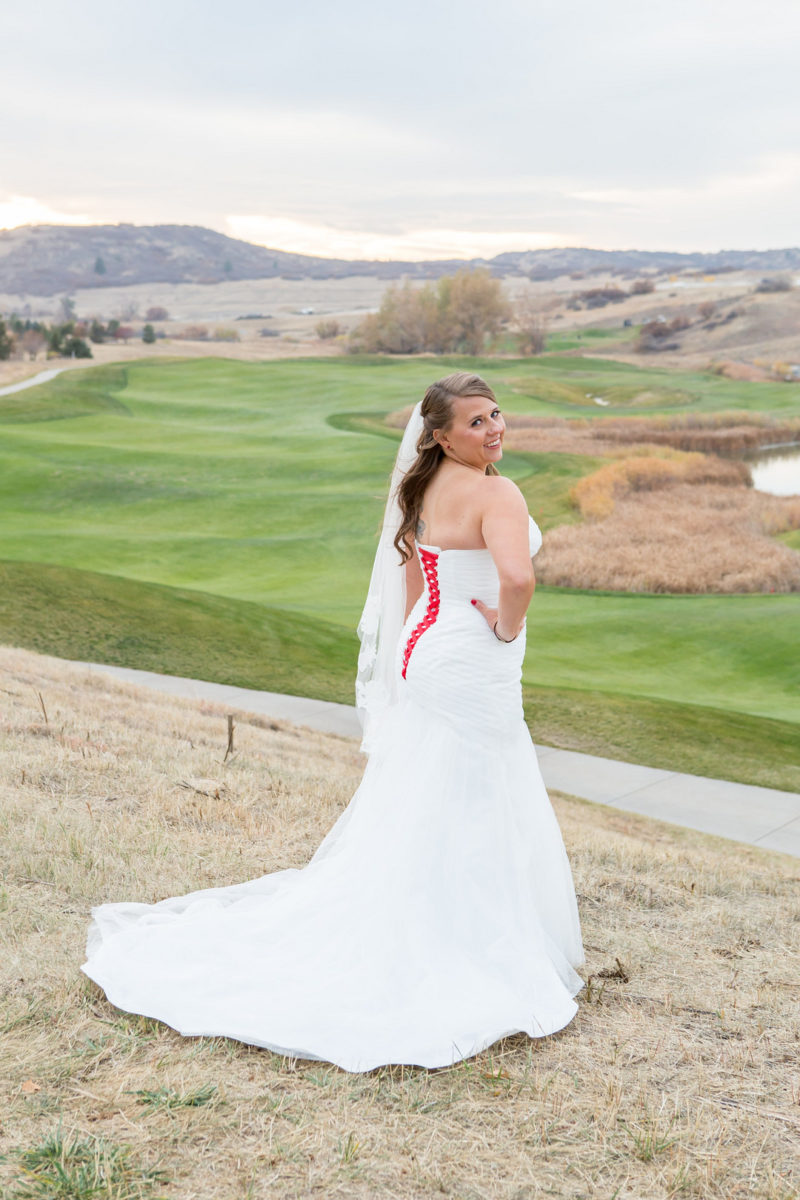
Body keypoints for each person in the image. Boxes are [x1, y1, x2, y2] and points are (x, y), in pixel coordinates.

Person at [82, 371, 584, 1073]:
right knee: (479, 785)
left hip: (430, 648)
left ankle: (428, 915)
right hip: (472, 656)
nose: (495, 427)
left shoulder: (431, 484)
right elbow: (519, 580)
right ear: (440, 434)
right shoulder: (498, 492)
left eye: (496, 413)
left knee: (434, 785)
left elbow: (413, 573)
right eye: (476, 422)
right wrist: (504, 627)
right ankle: (465, 936)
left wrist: (414, 651)